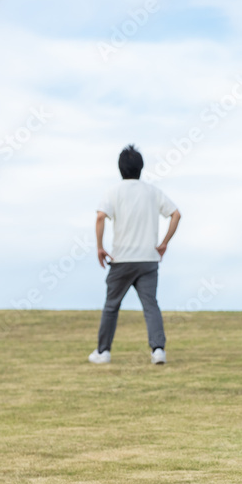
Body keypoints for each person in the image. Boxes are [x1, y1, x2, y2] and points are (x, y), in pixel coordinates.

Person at [88, 145, 181, 366]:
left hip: (121, 259)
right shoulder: (152, 191)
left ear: (120, 168)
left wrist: (100, 247)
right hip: (149, 259)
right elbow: (176, 214)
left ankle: (103, 351)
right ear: (141, 167)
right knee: (150, 305)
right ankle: (158, 350)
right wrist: (164, 243)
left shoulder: (114, 191)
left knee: (112, 305)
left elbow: (101, 217)